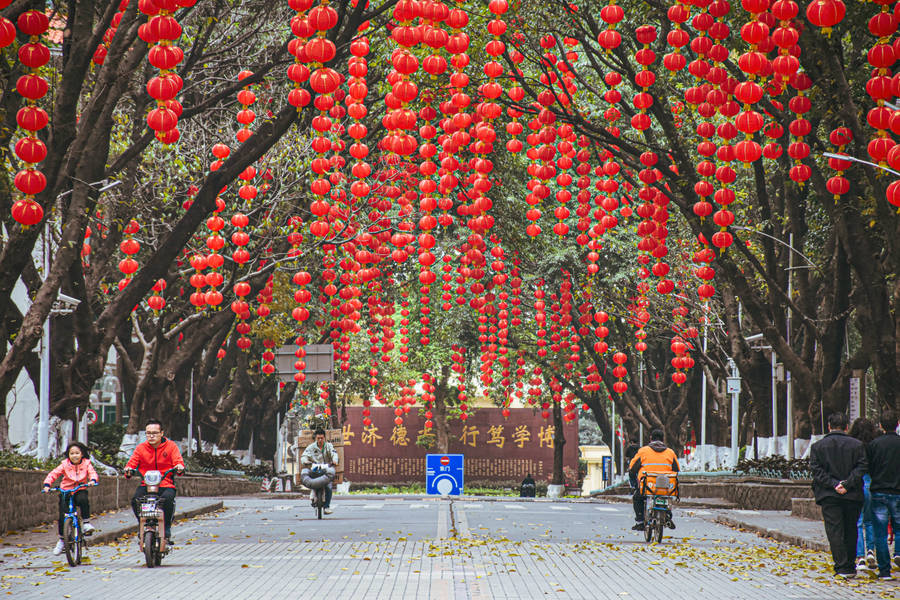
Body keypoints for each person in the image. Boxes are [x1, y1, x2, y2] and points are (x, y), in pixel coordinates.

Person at [809, 412, 868, 579]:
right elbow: (862, 467)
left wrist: (834, 484)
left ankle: (841, 566)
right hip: (852, 494)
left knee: (835, 531)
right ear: (846, 427)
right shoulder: (857, 445)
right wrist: (847, 483)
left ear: (829, 426)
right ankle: (850, 565)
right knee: (851, 529)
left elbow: (817, 470)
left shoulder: (818, 447)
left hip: (829, 495)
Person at [124, 419, 185, 544]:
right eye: (148, 433)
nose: (151, 436)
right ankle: (142, 524)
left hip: (165, 483)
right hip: (146, 485)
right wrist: (128, 469)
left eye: (155, 433)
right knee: (136, 500)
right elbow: (132, 463)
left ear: (162, 433)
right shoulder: (141, 448)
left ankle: (166, 527)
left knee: (167, 500)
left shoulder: (171, 446)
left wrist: (179, 466)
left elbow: (178, 461)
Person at [42, 441, 98, 555]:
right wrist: (47, 485)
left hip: (80, 489)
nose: (75, 455)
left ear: (82, 454)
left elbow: (92, 473)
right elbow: (53, 474)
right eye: (72, 453)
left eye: (77, 453)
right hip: (66, 491)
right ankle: (62, 540)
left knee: (83, 500)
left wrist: (93, 480)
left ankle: (86, 523)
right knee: (63, 516)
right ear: (68, 455)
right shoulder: (64, 464)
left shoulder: (87, 464)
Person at [867, 410, 900, 581]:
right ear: (897, 424)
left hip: (879, 491)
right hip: (898, 492)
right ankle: (899, 553)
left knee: (880, 533)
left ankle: (885, 571)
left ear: (880, 425)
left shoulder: (874, 445)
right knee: (899, 527)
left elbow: (869, 467)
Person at [628, 429, 679, 531]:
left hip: (648, 485)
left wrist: (634, 482)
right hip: (666, 486)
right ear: (663, 439)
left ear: (650, 438)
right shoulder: (670, 452)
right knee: (665, 497)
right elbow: (676, 469)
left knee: (637, 498)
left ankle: (640, 521)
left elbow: (632, 467)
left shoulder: (643, 451)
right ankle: (667, 516)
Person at [849, 417, 878, 574]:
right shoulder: (874, 446)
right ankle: (871, 551)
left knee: (858, 522)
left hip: (857, 485)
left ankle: (860, 556)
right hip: (872, 484)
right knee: (870, 520)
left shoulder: (852, 446)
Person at [301, 428, 339, 514]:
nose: (320, 440)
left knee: (329, 487)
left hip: (326, 469)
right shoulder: (311, 447)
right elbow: (304, 455)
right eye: (318, 438)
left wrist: (335, 460)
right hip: (315, 469)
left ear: (324, 438)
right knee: (311, 479)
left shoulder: (329, 446)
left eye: (322, 438)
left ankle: (326, 507)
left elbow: (334, 454)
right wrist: (305, 461)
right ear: (315, 438)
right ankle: (313, 496)